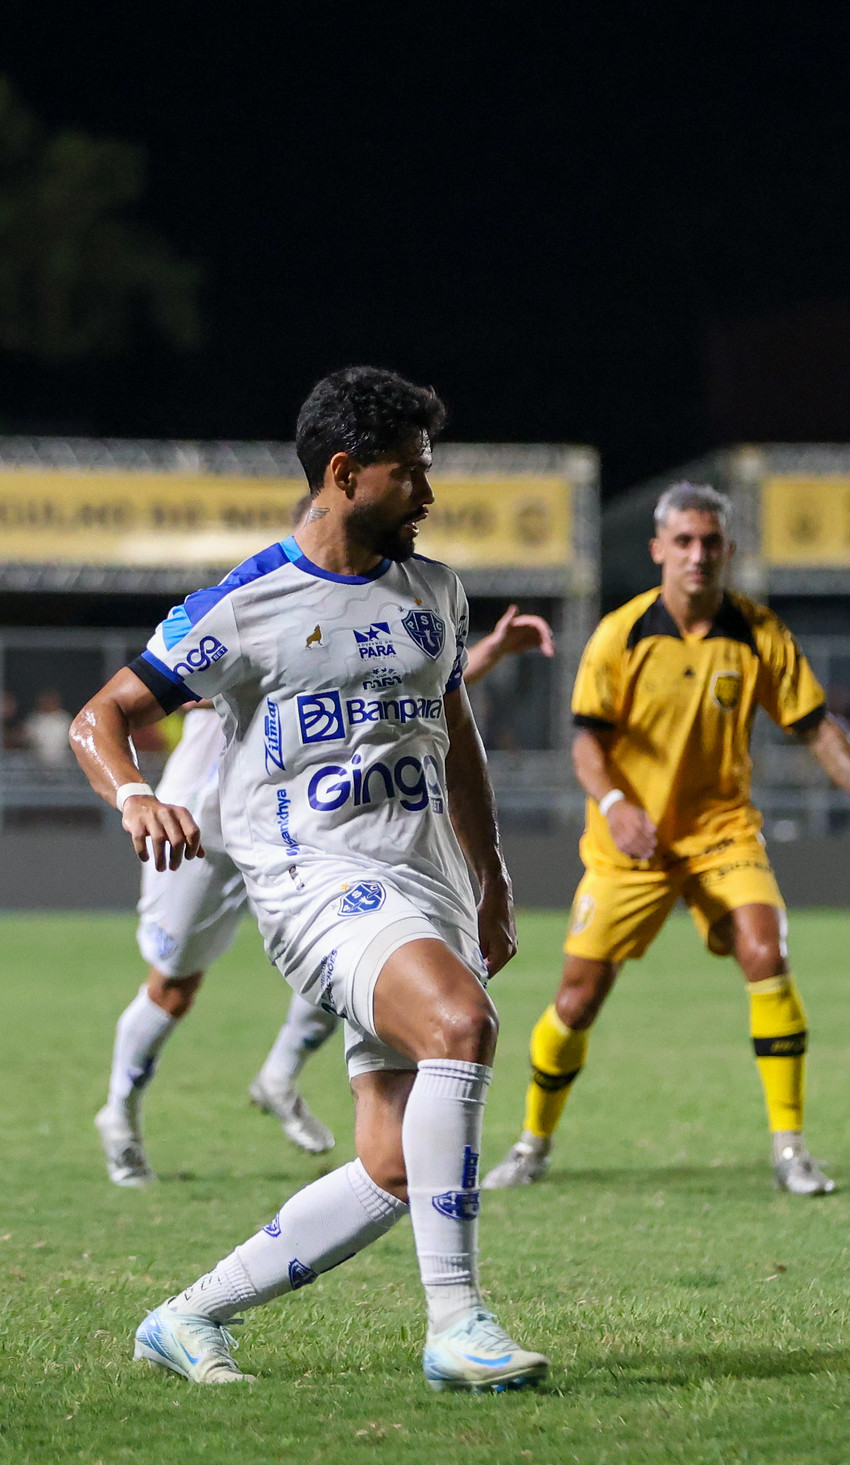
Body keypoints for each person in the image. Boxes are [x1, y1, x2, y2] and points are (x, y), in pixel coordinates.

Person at [70, 366, 548, 1391]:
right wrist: (133, 793)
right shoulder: (245, 606)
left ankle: (187, 1315)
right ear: (345, 473)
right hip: (311, 879)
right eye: (410, 473)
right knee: (460, 1026)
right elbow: (97, 717)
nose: (428, 493)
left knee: (389, 1160)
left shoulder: (436, 592)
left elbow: (454, 736)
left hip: (425, 881)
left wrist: (492, 878)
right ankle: (458, 1322)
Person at [92, 485, 555, 1187]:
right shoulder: (249, 608)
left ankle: (280, 1075)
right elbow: (141, 699)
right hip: (202, 825)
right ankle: (119, 1114)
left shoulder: (387, 599)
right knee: (175, 985)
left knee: (363, 946)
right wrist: (136, 794)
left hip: (315, 836)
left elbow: (401, 697)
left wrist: (480, 652)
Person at [481, 481, 850, 1196]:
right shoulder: (620, 634)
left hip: (722, 834)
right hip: (632, 842)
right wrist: (618, 803)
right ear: (658, 549)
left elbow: (818, 729)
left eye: (710, 542)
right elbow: (586, 745)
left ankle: (790, 1149)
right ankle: (532, 1143)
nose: (697, 555)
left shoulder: (759, 634)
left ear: (729, 551)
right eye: (683, 541)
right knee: (577, 1000)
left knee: (765, 948)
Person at [26, 687, 73, 765]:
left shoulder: (64, 718)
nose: (49, 702)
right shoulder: (34, 719)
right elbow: (29, 739)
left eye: (51, 700)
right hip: (36, 763)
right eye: (46, 700)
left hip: (63, 762)